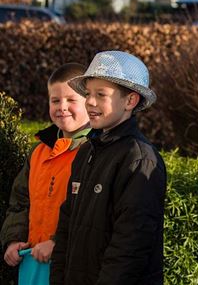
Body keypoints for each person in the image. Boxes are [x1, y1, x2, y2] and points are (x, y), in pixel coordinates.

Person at [49, 51, 166, 285]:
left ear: (130, 101)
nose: (90, 102)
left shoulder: (140, 160)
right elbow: (66, 229)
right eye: (89, 93)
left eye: (101, 94)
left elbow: (129, 248)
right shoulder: (87, 152)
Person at [1, 63, 90, 279]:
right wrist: (13, 239)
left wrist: (58, 244)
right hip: (32, 262)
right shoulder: (38, 152)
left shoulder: (93, 152)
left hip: (71, 265)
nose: (62, 107)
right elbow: (21, 202)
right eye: (55, 100)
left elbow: (90, 214)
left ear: (90, 102)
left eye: (71, 100)